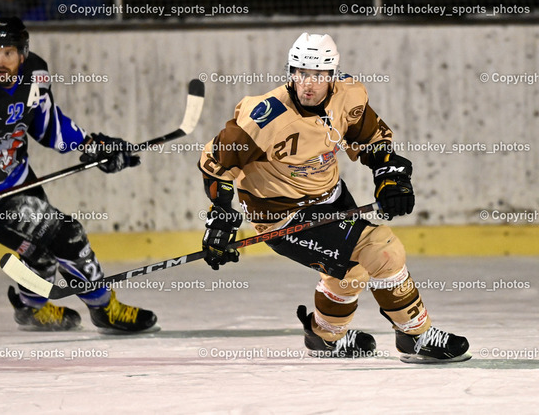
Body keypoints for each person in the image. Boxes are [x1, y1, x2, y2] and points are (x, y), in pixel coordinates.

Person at [198, 32, 470, 363]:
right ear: (291, 72)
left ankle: (324, 338)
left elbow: (372, 140)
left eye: (318, 75)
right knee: (383, 251)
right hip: (284, 216)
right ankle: (416, 336)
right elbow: (216, 166)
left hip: (332, 198)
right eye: (300, 73)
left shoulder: (348, 96)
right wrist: (221, 218)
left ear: (332, 75)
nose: (308, 84)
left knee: (352, 272)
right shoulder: (262, 116)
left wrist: (390, 176)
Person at [0, 16, 157, 333]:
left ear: (23, 53)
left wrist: (91, 146)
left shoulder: (35, 74)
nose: (0, 61)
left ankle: (30, 310)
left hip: (20, 178)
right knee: (67, 234)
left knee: (42, 257)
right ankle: (105, 308)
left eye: (8, 52)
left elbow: (47, 125)